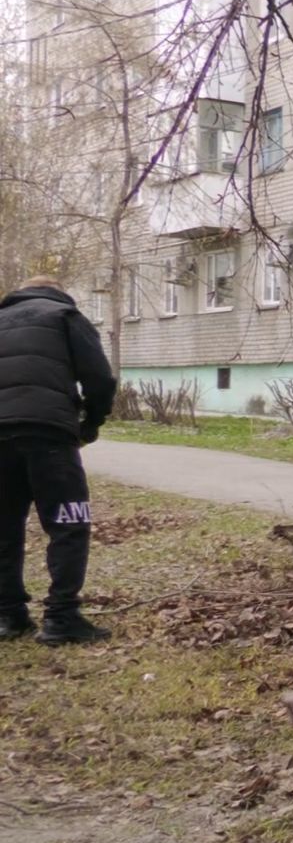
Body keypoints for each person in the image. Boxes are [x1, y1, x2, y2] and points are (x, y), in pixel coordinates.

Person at [0, 276, 117, 645]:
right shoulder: (66, 315)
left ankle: (9, 616)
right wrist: (91, 423)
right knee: (69, 522)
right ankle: (62, 618)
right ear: (58, 292)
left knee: (4, 527)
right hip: (48, 433)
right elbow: (99, 378)